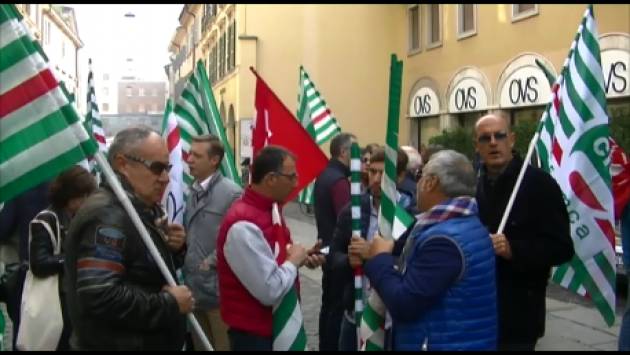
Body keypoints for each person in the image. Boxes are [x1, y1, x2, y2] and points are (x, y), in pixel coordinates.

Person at [352, 150, 498, 350]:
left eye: (420, 175)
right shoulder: (466, 223)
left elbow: (405, 303)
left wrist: (380, 258)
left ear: (431, 183)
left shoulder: (444, 240)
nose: (417, 183)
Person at [64, 126, 193, 350]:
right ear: (123, 164)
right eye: (157, 168)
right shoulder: (108, 215)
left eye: (167, 168)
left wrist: (174, 248)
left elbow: (142, 272)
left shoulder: (139, 208)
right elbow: (100, 295)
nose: (165, 179)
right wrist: (169, 304)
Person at [474, 112, 574, 350]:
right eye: (485, 138)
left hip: (519, 315)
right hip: (477, 309)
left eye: (499, 136)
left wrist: (513, 249)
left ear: (512, 140)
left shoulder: (539, 184)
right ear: (476, 146)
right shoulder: (472, 184)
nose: (493, 143)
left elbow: (562, 248)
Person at [216, 145, 324, 350]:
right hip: (256, 337)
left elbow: (271, 259)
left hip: (271, 328)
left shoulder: (270, 209)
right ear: (271, 179)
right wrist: (293, 261)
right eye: (291, 177)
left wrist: (302, 257)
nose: (296, 183)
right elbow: (270, 289)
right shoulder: (243, 226)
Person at [330, 147, 415, 350]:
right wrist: (348, 260)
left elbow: (413, 266)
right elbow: (333, 257)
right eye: (373, 171)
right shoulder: (353, 211)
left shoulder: (411, 216)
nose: (376, 179)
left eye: (384, 173)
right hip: (357, 310)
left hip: (392, 317)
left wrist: (374, 255)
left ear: (401, 176)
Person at [28, 166, 97, 350]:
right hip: (56, 302)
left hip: (77, 300)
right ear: (68, 195)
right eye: (82, 196)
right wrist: (72, 257)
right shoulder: (47, 220)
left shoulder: (82, 218)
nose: (86, 201)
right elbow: (39, 263)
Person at [184, 135, 242, 351]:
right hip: (194, 291)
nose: (189, 159)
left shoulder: (231, 193)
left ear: (214, 160)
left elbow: (235, 240)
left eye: (196, 156)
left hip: (219, 295)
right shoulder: (193, 190)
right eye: (190, 154)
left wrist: (209, 263)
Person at [313, 132, 356, 350]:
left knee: (327, 304)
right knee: (336, 307)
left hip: (328, 249)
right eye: (354, 152)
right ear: (343, 152)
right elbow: (347, 219)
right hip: (337, 253)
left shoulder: (324, 175)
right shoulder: (339, 182)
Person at [0, 181, 51, 350]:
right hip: (59, 270)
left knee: (23, 331)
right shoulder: (65, 183)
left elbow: (3, 228)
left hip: (27, 271)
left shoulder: (21, 186)